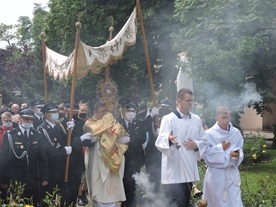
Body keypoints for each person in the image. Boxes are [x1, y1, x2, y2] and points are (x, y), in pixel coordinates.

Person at [155, 88, 207, 207]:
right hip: (173, 170)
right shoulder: (168, 119)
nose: (190, 103)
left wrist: (196, 145)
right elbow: (160, 141)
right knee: (177, 202)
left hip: (189, 168)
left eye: (192, 100)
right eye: (188, 100)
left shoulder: (196, 119)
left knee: (185, 202)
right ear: (179, 100)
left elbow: (204, 140)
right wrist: (169, 140)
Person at [82, 101, 130, 207]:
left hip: (112, 160)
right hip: (97, 160)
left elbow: (125, 138)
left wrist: (118, 137)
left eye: (106, 111)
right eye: (102, 111)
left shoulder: (114, 123)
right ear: (95, 112)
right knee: (99, 190)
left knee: (112, 192)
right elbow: (90, 137)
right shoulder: (90, 123)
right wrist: (103, 134)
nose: (105, 114)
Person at [0, 109, 49, 206]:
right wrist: (3, 180)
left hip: (32, 179)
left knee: (31, 203)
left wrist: (44, 177)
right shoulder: (10, 135)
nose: (29, 122)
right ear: (19, 119)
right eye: (26, 119)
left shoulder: (37, 135)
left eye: (31, 120)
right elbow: (4, 160)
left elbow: (42, 158)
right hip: (15, 180)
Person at [118, 99, 158, 207]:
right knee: (123, 185)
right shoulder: (118, 123)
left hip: (135, 160)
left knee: (132, 185)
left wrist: (130, 139)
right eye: (128, 110)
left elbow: (142, 136)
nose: (131, 113)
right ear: (123, 111)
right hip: (121, 159)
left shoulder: (138, 123)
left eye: (133, 110)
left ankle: (131, 204)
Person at [201, 106, 244, 207]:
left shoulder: (236, 133)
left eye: (228, 117)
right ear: (216, 118)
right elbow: (205, 153)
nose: (226, 120)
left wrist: (235, 154)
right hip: (216, 175)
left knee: (235, 201)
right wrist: (220, 148)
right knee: (217, 203)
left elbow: (240, 149)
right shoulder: (209, 134)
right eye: (223, 118)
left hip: (231, 172)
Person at [38, 101, 72, 206]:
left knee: (63, 198)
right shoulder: (42, 129)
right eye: (53, 112)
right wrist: (64, 151)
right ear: (46, 114)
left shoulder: (58, 126)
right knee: (48, 198)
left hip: (61, 168)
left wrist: (70, 130)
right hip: (50, 170)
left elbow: (65, 141)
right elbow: (48, 151)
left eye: (56, 111)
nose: (56, 113)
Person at [145, 98, 173, 193]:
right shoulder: (153, 119)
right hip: (153, 156)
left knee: (169, 185)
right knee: (153, 183)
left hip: (167, 155)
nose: (163, 109)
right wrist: (150, 116)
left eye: (166, 108)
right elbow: (142, 129)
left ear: (170, 109)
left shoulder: (172, 120)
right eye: (162, 107)